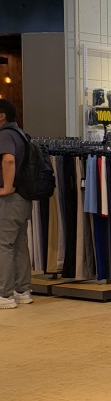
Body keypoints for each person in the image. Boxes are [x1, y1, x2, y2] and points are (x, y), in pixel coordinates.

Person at [0, 100, 33, 309]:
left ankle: (4, 294)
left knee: (3, 244)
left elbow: (8, 160)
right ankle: (23, 290)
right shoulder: (21, 134)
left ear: (1, 116)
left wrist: (6, 187)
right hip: (23, 198)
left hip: (10, 199)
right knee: (19, 244)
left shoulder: (4, 135)